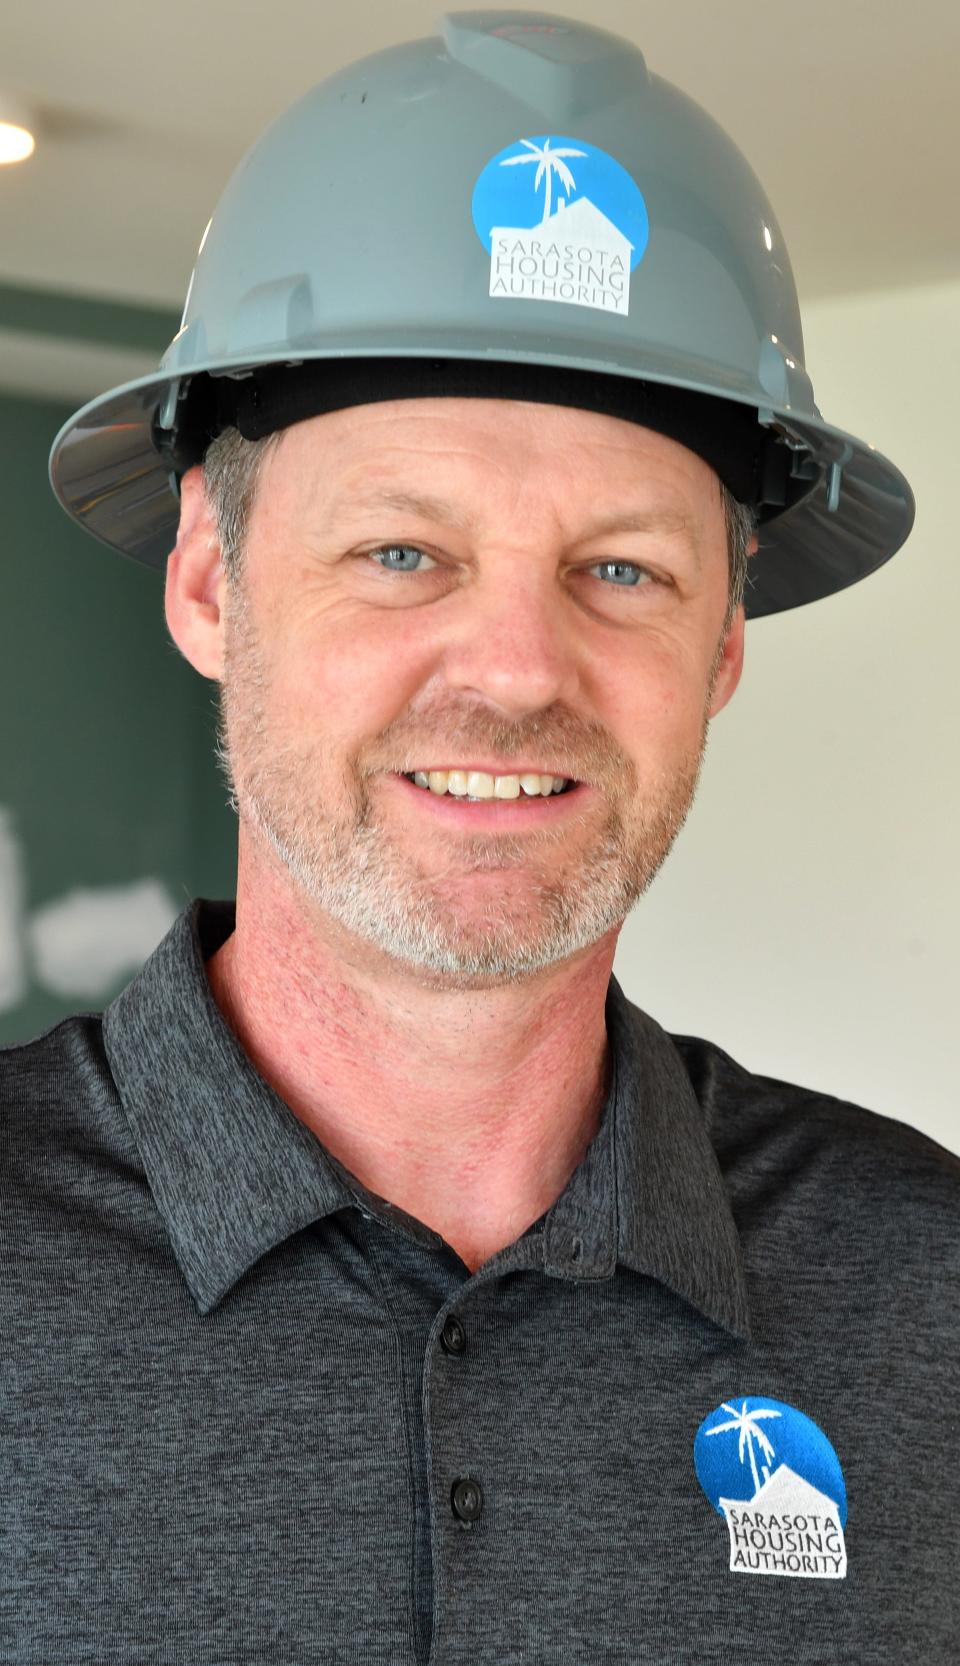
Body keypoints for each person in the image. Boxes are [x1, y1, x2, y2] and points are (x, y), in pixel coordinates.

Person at [6, 11, 955, 1663]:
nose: (518, 670)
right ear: (209, 587)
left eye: (624, 570)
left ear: (724, 645)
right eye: (400, 551)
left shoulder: (925, 1296)